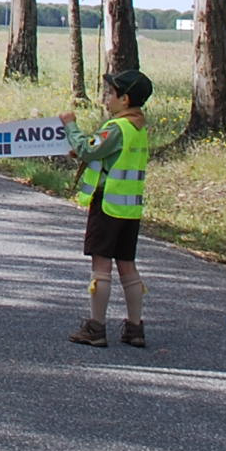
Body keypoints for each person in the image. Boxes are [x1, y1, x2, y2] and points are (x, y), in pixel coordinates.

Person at [66, 68, 157, 349]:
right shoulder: (139, 128)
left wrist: (71, 126)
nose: (107, 99)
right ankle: (134, 327)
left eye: (111, 94)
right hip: (129, 209)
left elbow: (91, 150)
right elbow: (107, 155)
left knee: (101, 266)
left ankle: (96, 327)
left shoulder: (116, 127)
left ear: (125, 99)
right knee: (127, 266)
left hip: (107, 204)